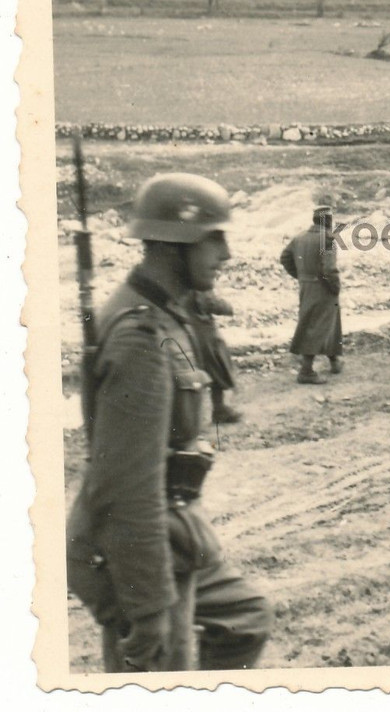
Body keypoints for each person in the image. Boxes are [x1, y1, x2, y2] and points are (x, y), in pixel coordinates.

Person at [66, 173, 272, 672]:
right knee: (159, 675)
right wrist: (148, 606)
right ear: (173, 243)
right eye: (213, 238)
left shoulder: (167, 311)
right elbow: (129, 489)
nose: (225, 254)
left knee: (245, 618)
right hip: (135, 543)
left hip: (174, 528)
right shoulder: (141, 340)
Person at [281, 204, 344, 383]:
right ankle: (306, 371)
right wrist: (335, 286)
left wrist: (300, 276)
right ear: (329, 221)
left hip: (306, 285)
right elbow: (329, 268)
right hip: (323, 287)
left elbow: (284, 257)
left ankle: (334, 361)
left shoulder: (299, 237)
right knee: (318, 325)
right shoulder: (328, 239)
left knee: (322, 322)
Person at [187, 291, 242, 423]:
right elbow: (209, 302)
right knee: (216, 368)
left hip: (186, 331)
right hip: (202, 332)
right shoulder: (195, 280)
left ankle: (192, 416)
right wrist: (227, 307)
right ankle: (219, 409)